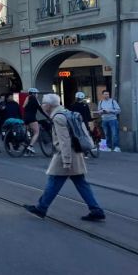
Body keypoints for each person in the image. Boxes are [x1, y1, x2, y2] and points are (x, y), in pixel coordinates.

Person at [23, 93, 106, 221]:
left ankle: (41, 208)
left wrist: (66, 160)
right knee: (80, 182)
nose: (42, 105)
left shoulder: (58, 118)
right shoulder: (68, 113)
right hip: (76, 153)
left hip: (65, 154)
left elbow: (64, 141)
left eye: (43, 103)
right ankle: (96, 209)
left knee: (54, 181)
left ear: (49, 105)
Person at [23, 88, 44, 155]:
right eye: (36, 93)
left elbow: (23, 107)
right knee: (36, 132)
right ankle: (30, 146)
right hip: (32, 118)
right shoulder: (35, 99)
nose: (37, 95)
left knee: (28, 134)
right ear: (33, 93)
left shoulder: (27, 98)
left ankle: (27, 151)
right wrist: (48, 117)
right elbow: (41, 110)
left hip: (25, 118)